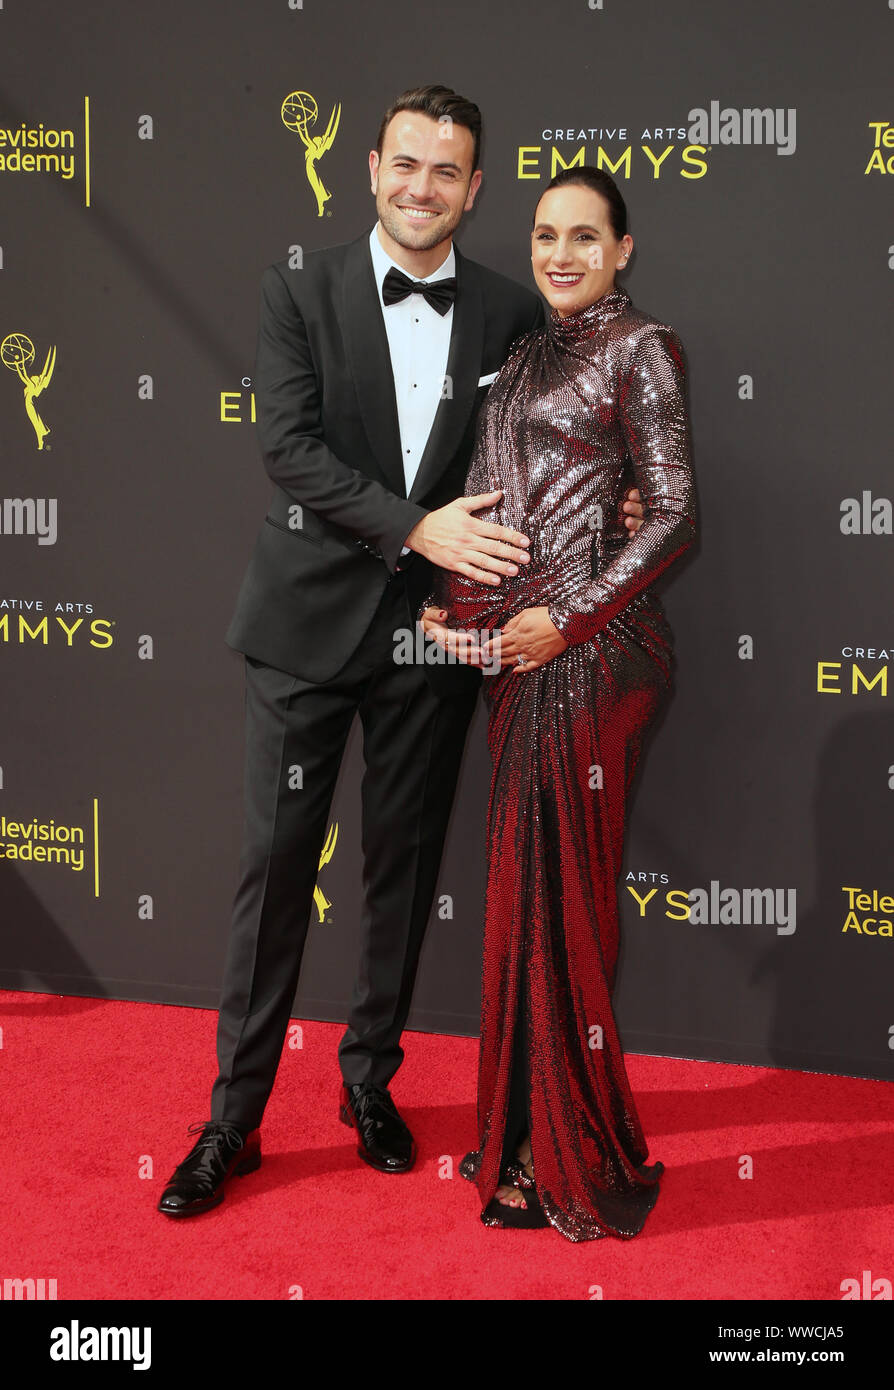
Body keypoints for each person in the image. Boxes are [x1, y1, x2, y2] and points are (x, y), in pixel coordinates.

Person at [157, 88, 645, 1217]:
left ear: (476, 190)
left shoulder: (515, 311)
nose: (423, 187)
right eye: (407, 163)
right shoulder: (300, 288)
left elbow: (555, 449)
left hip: (436, 638)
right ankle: (232, 1120)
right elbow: (287, 446)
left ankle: (369, 1082)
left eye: (449, 171)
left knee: (400, 872)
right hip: (302, 633)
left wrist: (618, 505)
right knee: (274, 877)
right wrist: (414, 527)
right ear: (371, 165)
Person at [420, 166, 696, 1240]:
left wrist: (566, 619)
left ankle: (565, 1157)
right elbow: (501, 502)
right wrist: (460, 613)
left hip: (594, 655)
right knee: (528, 900)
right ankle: (534, 1136)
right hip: (521, 653)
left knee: (561, 905)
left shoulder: (645, 347)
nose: (563, 254)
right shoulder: (528, 352)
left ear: (625, 248)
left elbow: (671, 516)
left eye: (587, 236)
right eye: (545, 235)